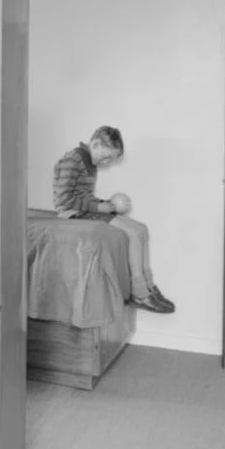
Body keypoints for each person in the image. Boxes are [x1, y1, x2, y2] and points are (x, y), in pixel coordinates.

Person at [52, 126, 175, 314]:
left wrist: (104, 203)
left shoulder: (88, 162)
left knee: (141, 229)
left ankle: (149, 285)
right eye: (107, 156)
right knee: (133, 234)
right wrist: (97, 207)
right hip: (73, 213)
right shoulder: (73, 159)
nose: (107, 163)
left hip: (84, 209)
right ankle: (140, 292)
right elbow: (63, 200)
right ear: (95, 144)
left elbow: (82, 195)